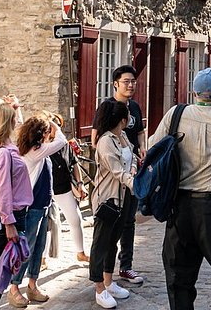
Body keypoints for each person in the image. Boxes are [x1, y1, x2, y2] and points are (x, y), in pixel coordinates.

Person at [149, 53, 211, 310]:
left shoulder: (176, 114)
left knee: (178, 275)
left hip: (179, 205)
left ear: (194, 93)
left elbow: (152, 147)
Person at [91, 65, 145, 284]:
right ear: (116, 83)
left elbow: (139, 133)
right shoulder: (107, 108)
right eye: (126, 81)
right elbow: (96, 139)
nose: (130, 85)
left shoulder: (135, 107)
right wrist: (113, 156)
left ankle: (125, 266)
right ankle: (102, 280)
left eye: (133, 81)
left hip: (129, 171)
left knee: (128, 222)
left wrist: (141, 148)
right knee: (107, 233)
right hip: (114, 179)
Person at [7, 115, 67, 306]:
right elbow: (62, 141)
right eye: (46, 131)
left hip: (43, 205)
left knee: (38, 249)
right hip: (32, 207)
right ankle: (14, 287)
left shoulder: (37, 150)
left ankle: (32, 285)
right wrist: (55, 126)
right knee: (27, 248)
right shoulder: (34, 151)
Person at [0, 102, 33, 310]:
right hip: (10, 214)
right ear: (5, 122)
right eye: (12, 118)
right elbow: (2, 190)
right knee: (3, 271)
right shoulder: (2, 152)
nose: (16, 121)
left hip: (6, 212)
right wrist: (9, 223)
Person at [90, 100, 137, 309]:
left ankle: (109, 281)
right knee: (100, 243)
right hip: (108, 198)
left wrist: (135, 169)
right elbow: (117, 170)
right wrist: (138, 184)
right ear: (121, 119)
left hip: (123, 196)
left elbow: (132, 156)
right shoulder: (106, 141)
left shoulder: (122, 136)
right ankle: (99, 287)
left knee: (113, 240)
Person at [49, 113, 90, 262]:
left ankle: (80, 252)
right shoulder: (42, 147)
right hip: (48, 190)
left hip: (64, 188)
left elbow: (74, 164)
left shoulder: (65, 145)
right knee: (49, 225)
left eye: (58, 126)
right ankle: (42, 258)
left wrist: (80, 184)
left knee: (75, 219)